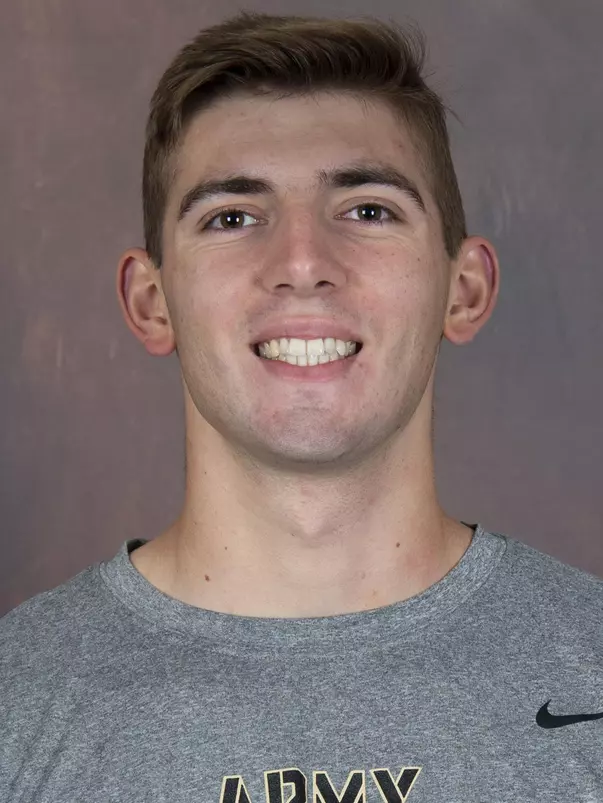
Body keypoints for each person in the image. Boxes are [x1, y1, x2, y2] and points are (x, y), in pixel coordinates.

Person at [1, 10, 601, 802]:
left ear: (464, 288)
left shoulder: (587, 663)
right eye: (232, 217)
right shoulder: (18, 703)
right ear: (152, 302)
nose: (302, 263)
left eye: (366, 209)